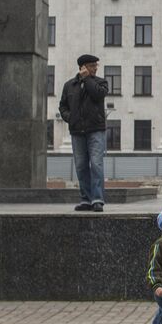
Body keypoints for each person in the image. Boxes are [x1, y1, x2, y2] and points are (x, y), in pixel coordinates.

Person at [58, 53, 108, 212]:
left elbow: (98, 94)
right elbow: (63, 106)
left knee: (96, 164)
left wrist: (87, 79)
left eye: (96, 66)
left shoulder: (100, 82)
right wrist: (69, 118)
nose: (96, 68)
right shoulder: (69, 85)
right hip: (77, 131)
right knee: (80, 166)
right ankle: (86, 199)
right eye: (93, 65)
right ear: (83, 67)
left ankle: (98, 199)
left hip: (96, 130)